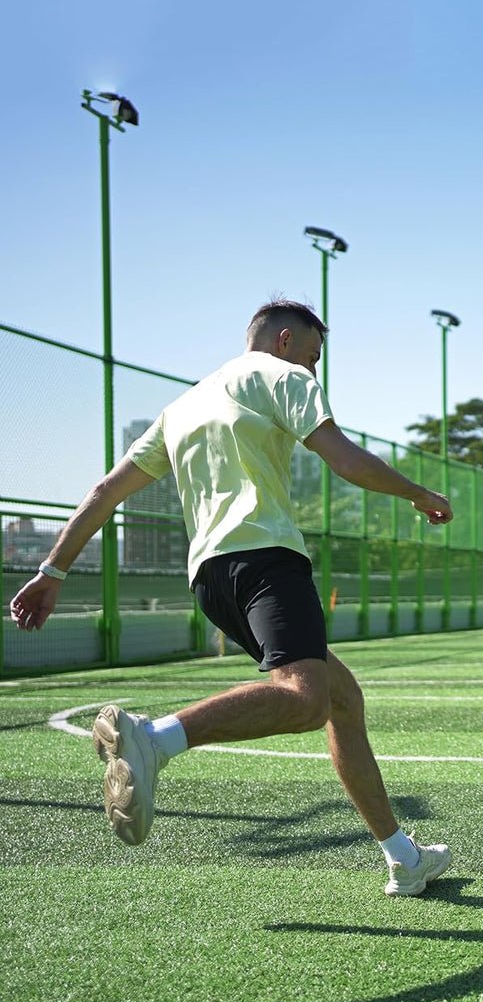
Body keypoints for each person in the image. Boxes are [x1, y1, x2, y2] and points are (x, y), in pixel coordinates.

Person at [9, 300, 454, 897]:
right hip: (267, 561)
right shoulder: (283, 376)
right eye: (313, 356)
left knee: (343, 701)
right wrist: (418, 493)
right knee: (306, 701)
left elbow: (105, 490)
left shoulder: (182, 406)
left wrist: (52, 570)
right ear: (285, 341)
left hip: (211, 579)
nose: (314, 370)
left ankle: (403, 857)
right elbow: (345, 458)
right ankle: (154, 739)